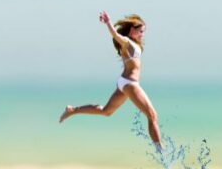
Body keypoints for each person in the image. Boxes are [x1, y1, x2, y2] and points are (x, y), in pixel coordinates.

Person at [59, 11, 162, 152]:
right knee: (152, 115)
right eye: (140, 31)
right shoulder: (127, 42)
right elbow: (116, 35)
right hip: (130, 84)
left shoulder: (133, 44)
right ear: (132, 30)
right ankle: (161, 152)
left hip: (124, 83)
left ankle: (73, 110)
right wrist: (108, 23)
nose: (142, 34)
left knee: (106, 111)